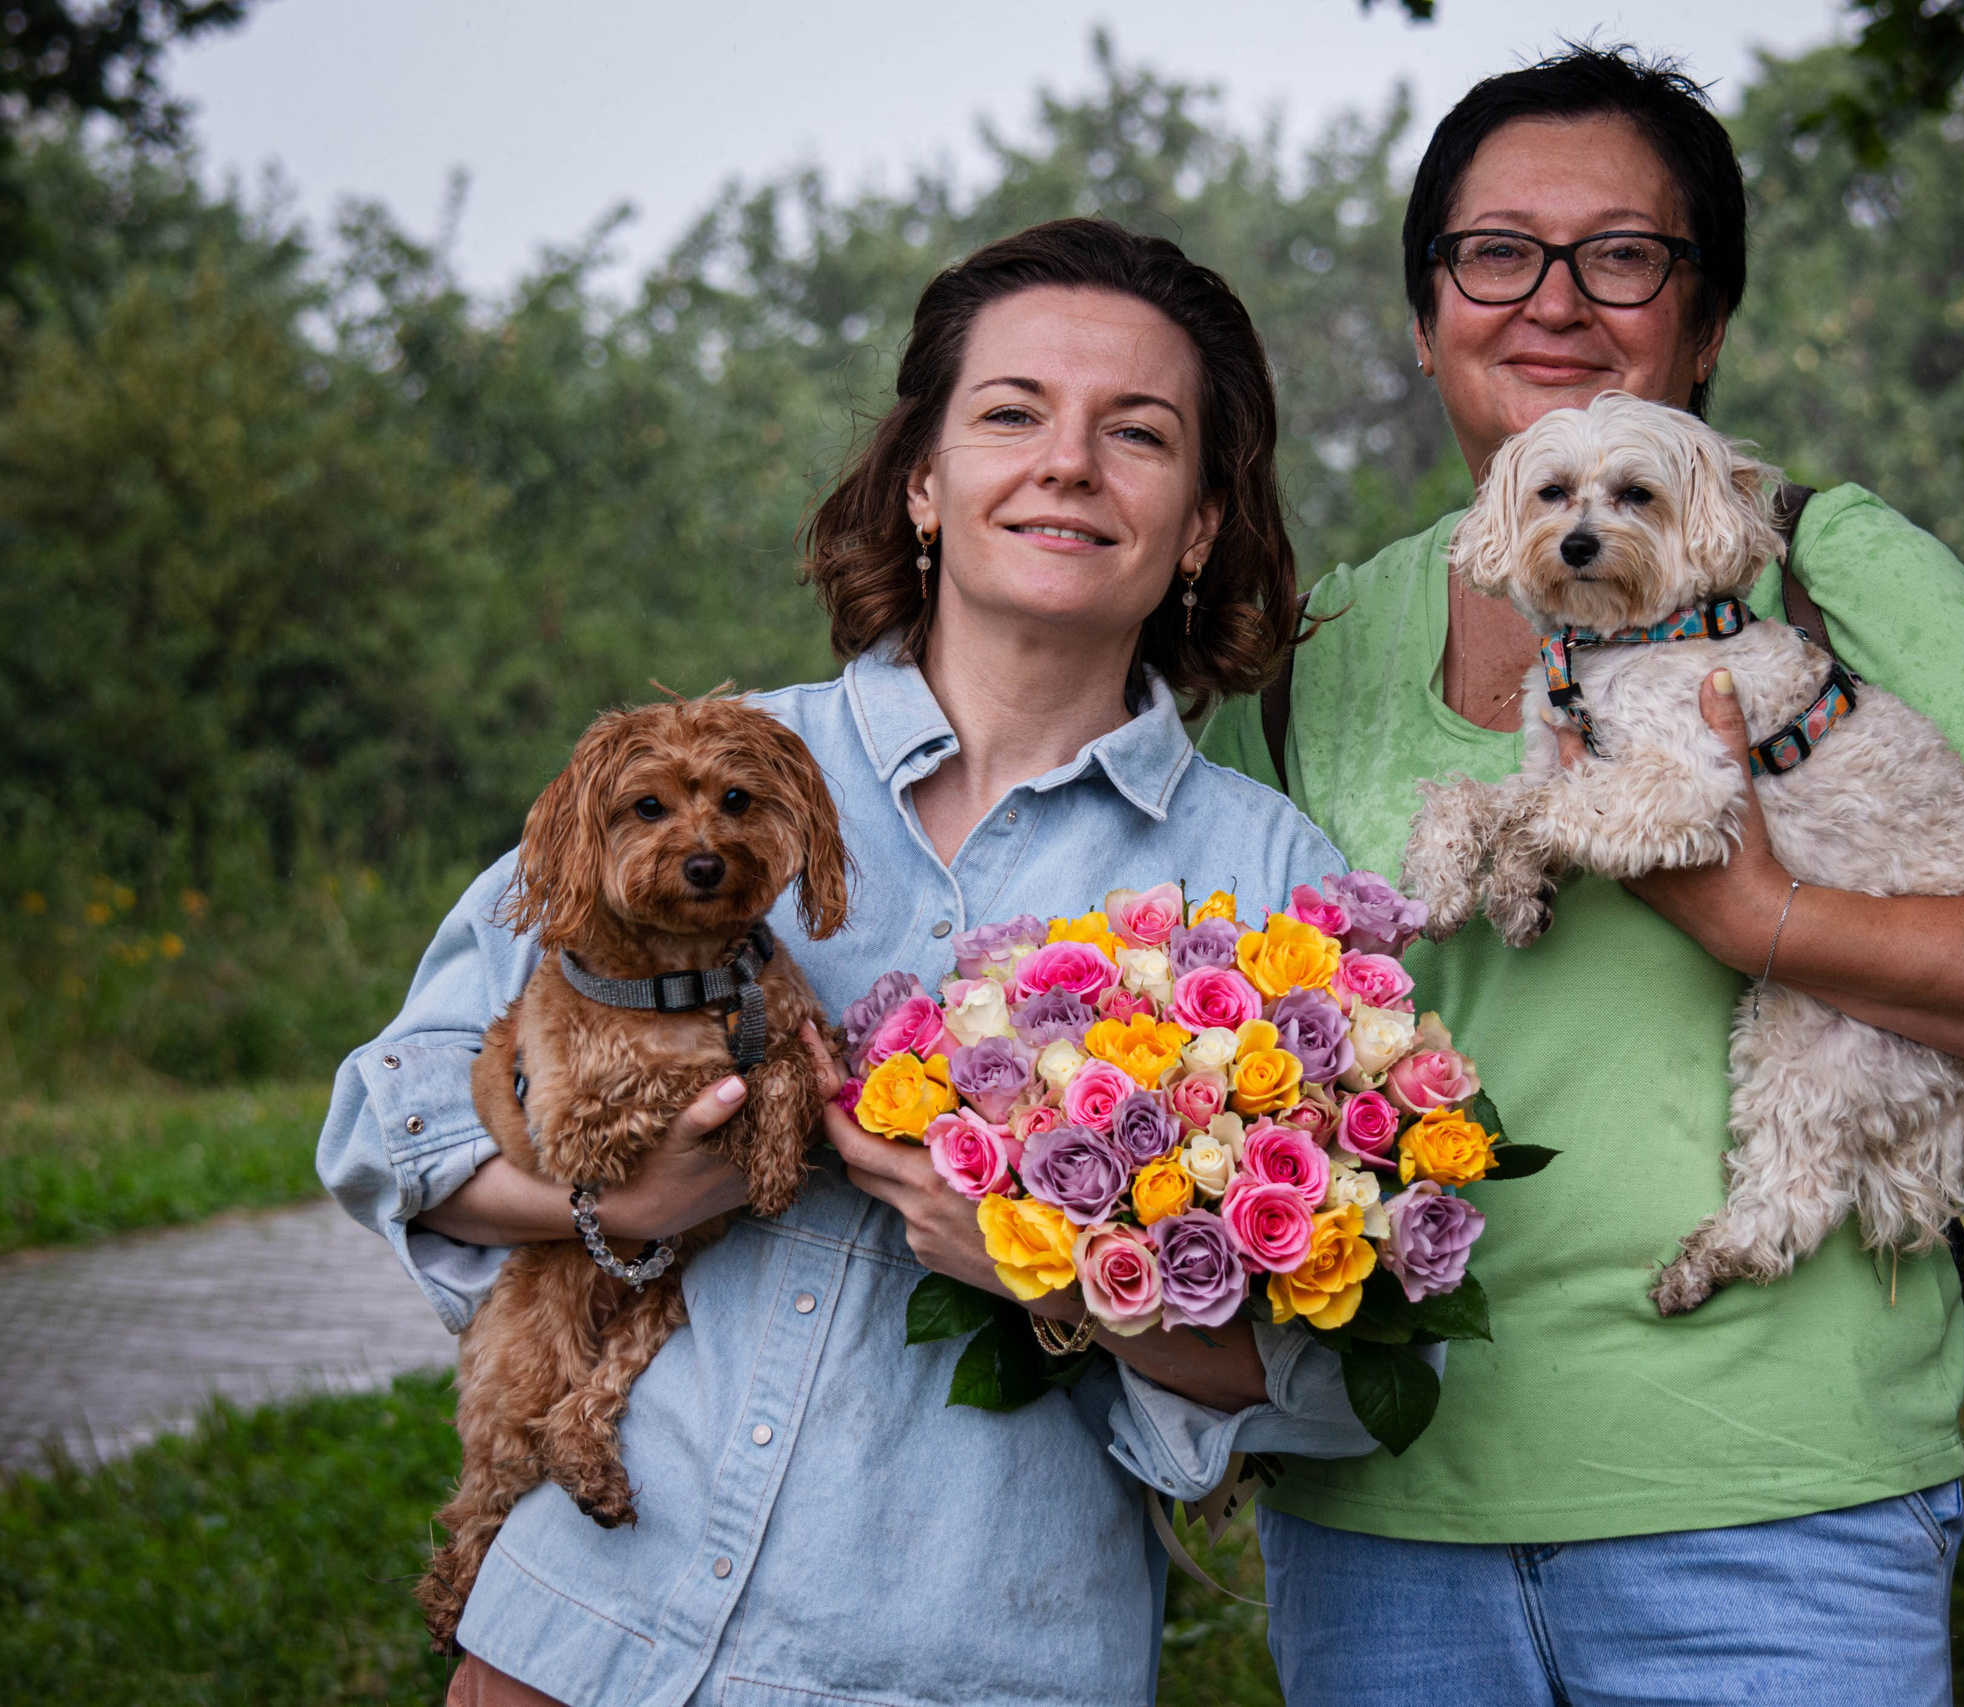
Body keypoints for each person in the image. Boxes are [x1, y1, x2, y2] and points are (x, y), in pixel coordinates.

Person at [1192, 45, 1964, 1707]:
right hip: (1381, 1516)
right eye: (1494, 253)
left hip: (1768, 1515)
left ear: (1709, 321)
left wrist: (1774, 919)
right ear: (1424, 315)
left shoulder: (1832, 565)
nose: (1553, 304)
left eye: (1624, 254)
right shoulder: (1316, 654)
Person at [319, 218, 1384, 1707]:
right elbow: (397, 1112)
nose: (1066, 463)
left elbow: (1346, 1377)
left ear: (1202, 521)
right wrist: (616, 1196)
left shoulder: (1270, 888)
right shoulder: (709, 767)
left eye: (1135, 432)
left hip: (968, 1661)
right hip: (580, 1637)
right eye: (1011, 413)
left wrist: (1056, 1269)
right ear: (924, 485)